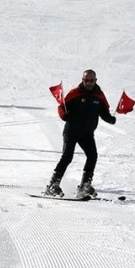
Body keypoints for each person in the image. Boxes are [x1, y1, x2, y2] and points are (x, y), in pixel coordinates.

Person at [45, 70, 116, 198]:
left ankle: (85, 185)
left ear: (96, 80)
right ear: (82, 80)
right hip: (71, 131)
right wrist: (64, 115)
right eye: (86, 80)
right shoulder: (75, 93)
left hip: (87, 133)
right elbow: (62, 107)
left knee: (92, 156)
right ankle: (53, 185)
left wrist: (110, 119)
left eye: (91, 80)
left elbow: (104, 111)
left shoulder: (99, 95)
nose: (89, 83)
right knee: (67, 157)